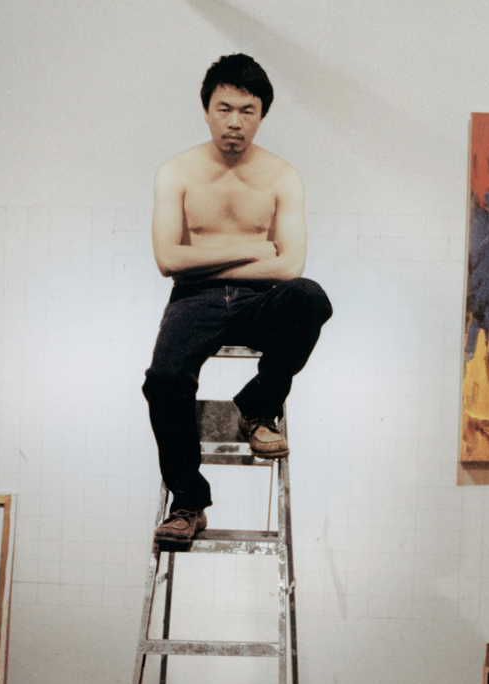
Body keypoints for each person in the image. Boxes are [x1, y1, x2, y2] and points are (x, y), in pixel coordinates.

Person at [143, 53, 332, 543]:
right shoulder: (176, 172)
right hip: (194, 300)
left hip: (259, 302)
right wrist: (253, 246)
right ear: (206, 110)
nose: (234, 122)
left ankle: (257, 408)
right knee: (164, 380)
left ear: (262, 114)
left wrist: (203, 253)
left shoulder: (281, 176)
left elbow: (290, 266)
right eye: (224, 108)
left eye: (246, 111)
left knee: (309, 298)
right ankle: (187, 504)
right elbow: (168, 259)